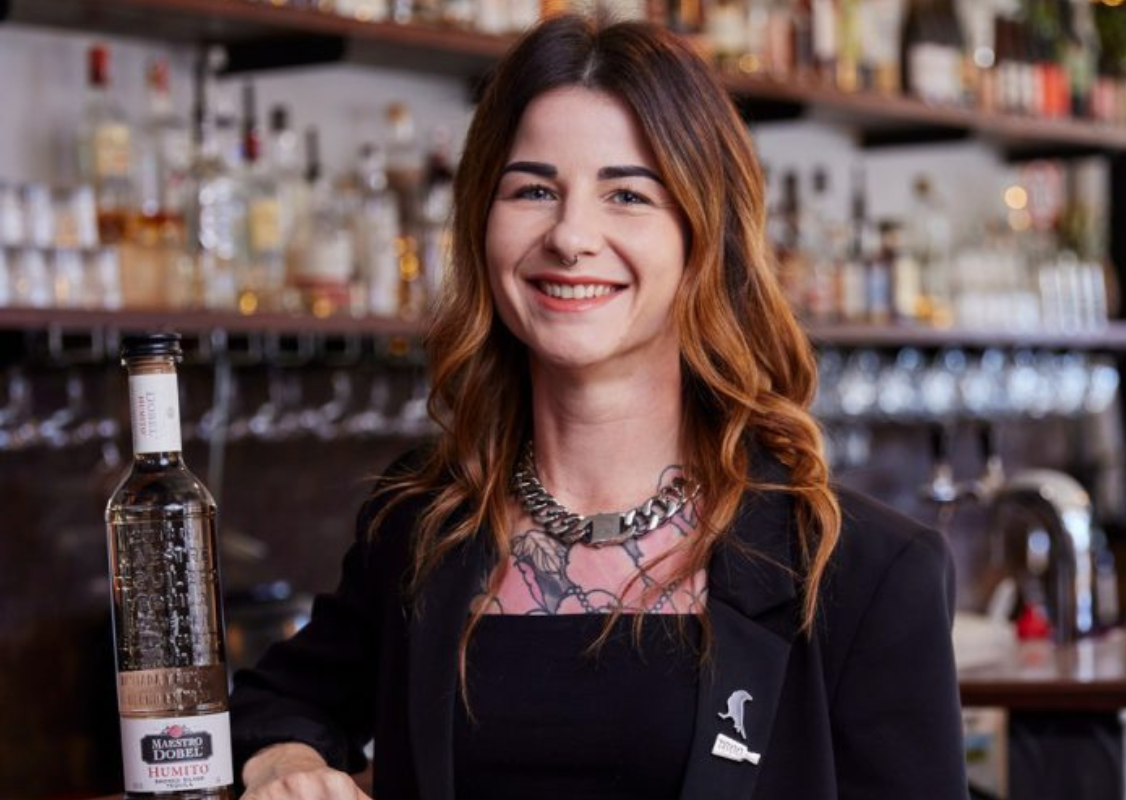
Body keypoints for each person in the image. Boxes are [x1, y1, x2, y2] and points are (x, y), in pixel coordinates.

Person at [230, 13, 968, 800]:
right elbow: (272, 705)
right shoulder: (424, 522)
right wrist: (286, 766)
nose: (571, 235)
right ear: (481, 222)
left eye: (627, 194)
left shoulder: (860, 569)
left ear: (703, 237)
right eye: (534, 190)